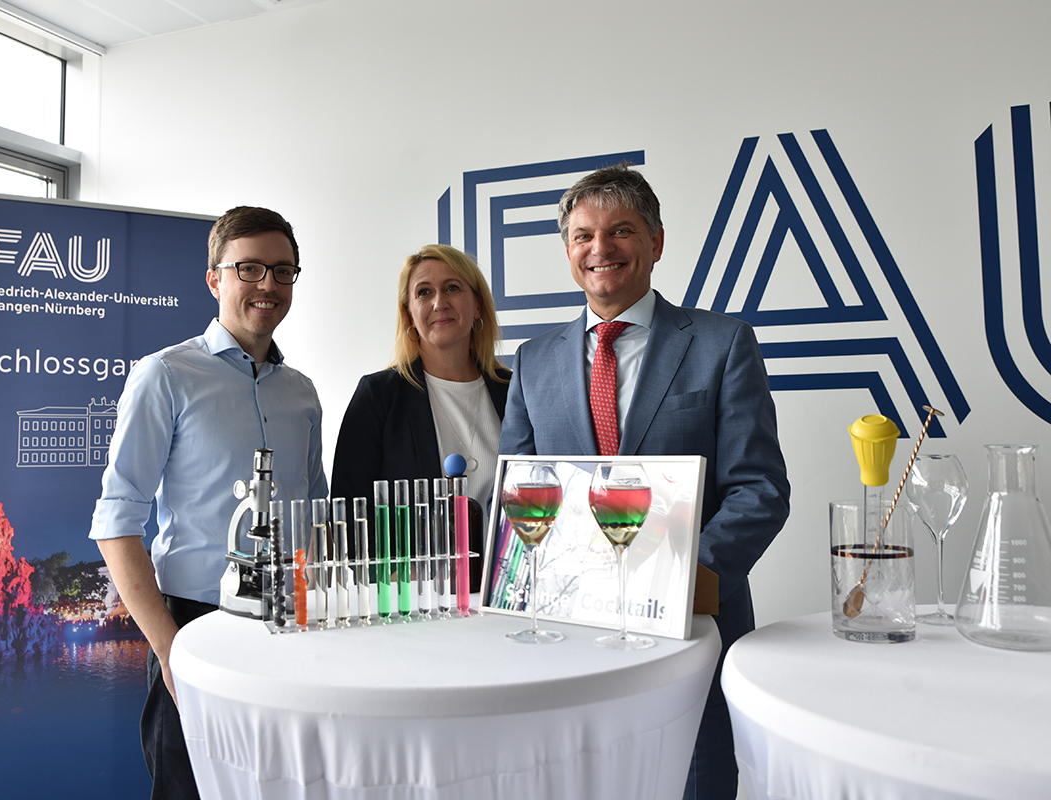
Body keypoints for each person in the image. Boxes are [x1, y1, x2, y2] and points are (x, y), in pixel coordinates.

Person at [499, 164, 789, 800]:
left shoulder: (723, 343)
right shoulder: (532, 359)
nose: (599, 249)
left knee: (698, 783)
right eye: (581, 236)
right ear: (567, 250)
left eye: (620, 231)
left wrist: (681, 577)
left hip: (690, 632)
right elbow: (520, 497)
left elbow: (759, 489)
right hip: (567, 642)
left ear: (656, 242)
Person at [89, 206, 327, 800]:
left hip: (290, 622)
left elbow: (315, 509)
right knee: (188, 790)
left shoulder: (301, 392)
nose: (268, 284)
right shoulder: (164, 374)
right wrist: (170, 648)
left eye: (282, 270)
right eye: (248, 268)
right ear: (214, 279)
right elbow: (116, 521)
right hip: (194, 622)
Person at [331, 244, 509, 587]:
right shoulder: (378, 395)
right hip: (417, 604)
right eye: (424, 292)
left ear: (477, 306)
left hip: (503, 593)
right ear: (409, 313)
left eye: (453, 288)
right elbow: (348, 512)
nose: (439, 302)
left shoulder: (514, 391)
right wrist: (391, 579)